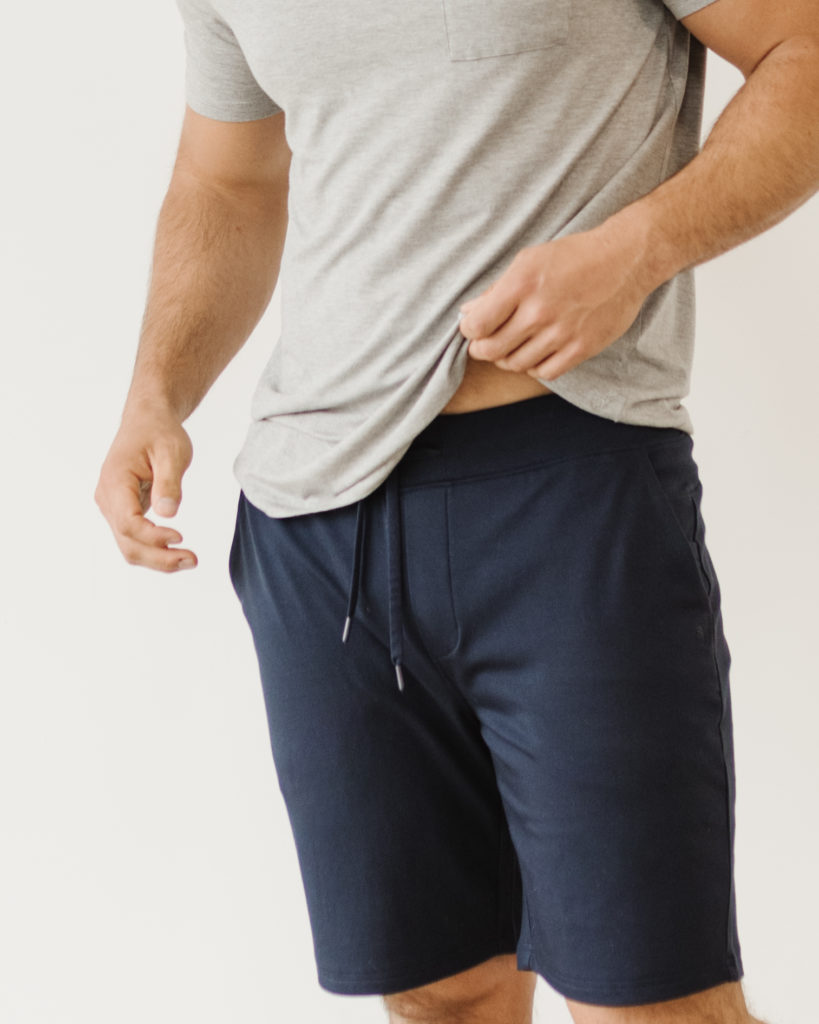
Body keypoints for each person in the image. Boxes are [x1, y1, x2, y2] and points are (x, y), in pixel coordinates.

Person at [94, 0, 819, 1020]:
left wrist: (636, 250)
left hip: (569, 489)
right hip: (316, 526)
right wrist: (155, 391)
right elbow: (229, 178)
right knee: (443, 997)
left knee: (655, 1003)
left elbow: (805, 53)